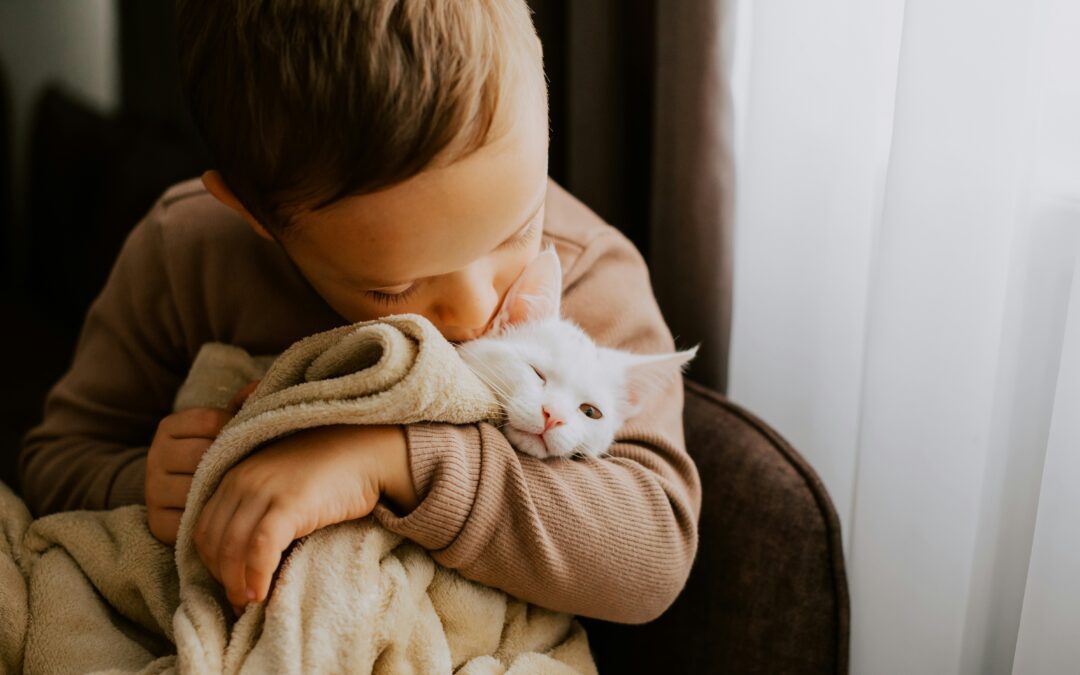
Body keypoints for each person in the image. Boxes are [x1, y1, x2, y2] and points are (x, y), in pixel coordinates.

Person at [20, 0, 701, 624]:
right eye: (392, 287)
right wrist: (139, 482)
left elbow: (654, 548)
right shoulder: (183, 253)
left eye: (515, 230)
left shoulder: (590, 269)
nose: (472, 309)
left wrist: (387, 460)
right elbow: (54, 459)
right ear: (258, 217)